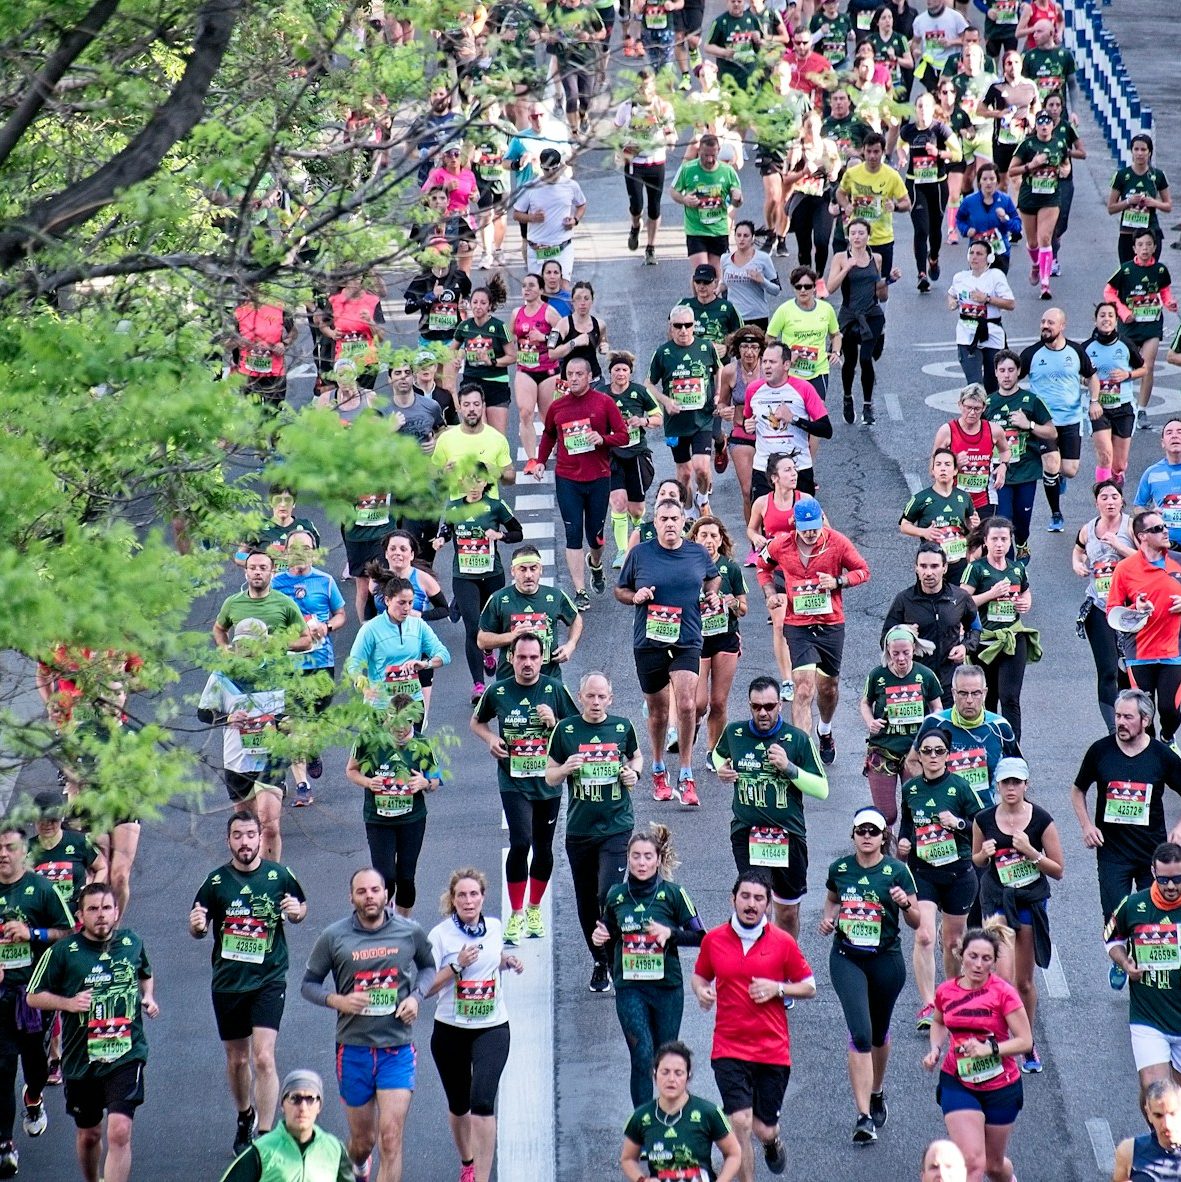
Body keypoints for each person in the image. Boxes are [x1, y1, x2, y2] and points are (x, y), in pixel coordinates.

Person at [301, 867, 436, 1182]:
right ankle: (358, 1165)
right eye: (361, 892)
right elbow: (309, 984)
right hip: (354, 1049)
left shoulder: (409, 931)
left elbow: (429, 967)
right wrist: (338, 1001)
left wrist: (416, 997)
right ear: (351, 897)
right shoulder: (334, 937)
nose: (369, 897)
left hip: (397, 1048)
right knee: (364, 1142)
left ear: (386, 894)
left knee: (391, 1137)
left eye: (375, 890)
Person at [190, 811, 308, 1155]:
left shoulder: (279, 875)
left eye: (250, 835)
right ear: (229, 841)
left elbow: (301, 908)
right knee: (238, 1060)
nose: (245, 842)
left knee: (263, 1058)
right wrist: (197, 925)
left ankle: (267, 1135)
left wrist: (297, 912)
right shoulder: (215, 883)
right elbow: (197, 924)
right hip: (228, 982)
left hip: (269, 978)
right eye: (238, 836)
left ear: (261, 838)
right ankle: (245, 1115)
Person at [26, 883, 157, 1182]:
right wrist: (68, 1003)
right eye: (93, 909)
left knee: (120, 1130)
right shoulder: (63, 952)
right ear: (80, 915)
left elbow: (145, 974)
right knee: (89, 1134)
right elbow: (33, 995)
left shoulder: (131, 942)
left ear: (117, 912)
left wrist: (148, 997)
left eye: (107, 908)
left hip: (126, 1051)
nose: (101, 915)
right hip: (82, 1059)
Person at [691, 870, 816, 1181]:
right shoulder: (714, 940)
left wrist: (778, 988)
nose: (751, 904)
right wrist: (701, 991)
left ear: (768, 905)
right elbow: (700, 975)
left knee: (763, 1128)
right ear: (733, 899)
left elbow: (809, 986)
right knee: (740, 1123)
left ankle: (772, 1143)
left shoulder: (783, 943)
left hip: (771, 1050)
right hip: (729, 1047)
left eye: (759, 898)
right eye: (745, 896)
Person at [820, 806, 920, 1143]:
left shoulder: (896, 871)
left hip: (886, 961)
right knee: (860, 1034)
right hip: (847, 958)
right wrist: (828, 918)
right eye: (860, 831)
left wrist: (905, 903)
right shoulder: (840, 868)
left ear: (883, 837)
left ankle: (877, 1091)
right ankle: (863, 1116)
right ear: (853, 835)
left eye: (873, 832)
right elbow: (833, 898)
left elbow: (917, 921)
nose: (866, 837)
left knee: (878, 1033)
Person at [471, 632, 576, 943]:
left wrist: (554, 722)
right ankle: (515, 913)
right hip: (513, 778)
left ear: (541, 659)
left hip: (548, 779)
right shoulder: (499, 691)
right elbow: (477, 722)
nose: (528, 663)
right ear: (510, 659)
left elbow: (576, 730)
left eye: (533, 657)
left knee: (543, 848)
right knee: (521, 842)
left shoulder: (555, 689)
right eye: (522, 657)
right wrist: (491, 739)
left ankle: (534, 908)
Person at [617, 497, 721, 804]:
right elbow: (619, 590)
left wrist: (711, 595)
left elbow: (712, 578)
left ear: (683, 522)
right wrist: (635, 596)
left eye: (675, 519)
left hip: (687, 638)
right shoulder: (640, 554)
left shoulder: (697, 553)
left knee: (687, 704)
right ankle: (659, 767)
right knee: (659, 712)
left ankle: (687, 773)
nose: (670, 524)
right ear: (656, 523)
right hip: (649, 642)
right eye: (663, 519)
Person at [1073, 689, 1181, 978]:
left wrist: (1180, 827)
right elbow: (1078, 789)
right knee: (1114, 913)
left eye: (1127, 717)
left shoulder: (1161, 755)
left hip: (1151, 852)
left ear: (1145, 720)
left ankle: (1148, 967)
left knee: (1151, 914)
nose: (1120, 721)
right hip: (1112, 852)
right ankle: (1120, 960)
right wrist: (1087, 825)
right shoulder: (1101, 751)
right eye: (1118, 715)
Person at [593, 827, 705, 1106]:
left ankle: (671, 1117)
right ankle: (642, 1124)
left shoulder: (674, 894)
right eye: (635, 857)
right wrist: (601, 935)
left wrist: (671, 934)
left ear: (658, 859)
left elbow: (702, 936)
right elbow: (608, 928)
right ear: (628, 859)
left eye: (647, 857)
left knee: (666, 1058)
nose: (641, 863)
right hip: (630, 987)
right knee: (641, 1054)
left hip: (667, 988)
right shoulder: (616, 895)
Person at [547, 671, 643, 992]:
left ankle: (616, 958)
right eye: (591, 696)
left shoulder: (621, 727)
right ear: (581, 696)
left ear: (611, 698)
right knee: (587, 901)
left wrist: (634, 774)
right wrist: (565, 769)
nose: (597, 702)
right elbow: (549, 775)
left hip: (616, 824)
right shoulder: (566, 730)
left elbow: (636, 758)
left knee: (608, 893)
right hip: (580, 830)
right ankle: (600, 960)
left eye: (602, 697)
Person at [425, 868, 523, 1182]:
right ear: (452, 901)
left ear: (483, 897)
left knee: (482, 1100)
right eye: (462, 895)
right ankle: (467, 1160)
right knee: (459, 1104)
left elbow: (494, 957)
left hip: (492, 1026)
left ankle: (480, 1177)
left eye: (474, 894)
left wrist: (507, 961)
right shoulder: (440, 936)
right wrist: (456, 966)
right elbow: (424, 988)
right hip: (450, 1029)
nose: (469, 901)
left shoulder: (494, 927)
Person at [714, 676, 829, 940]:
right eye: (756, 707)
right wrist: (722, 767)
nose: (763, 712)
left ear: (780, 705)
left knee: (787, 912)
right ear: (749, 706)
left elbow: (822, 790)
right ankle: (759, 965)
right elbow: (718, 753)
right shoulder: (735, 733)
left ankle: (785, 965)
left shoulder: (797, 739)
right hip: (748, 833)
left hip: (788, 835)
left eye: (769, 706)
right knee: (756, 904)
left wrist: (789, 768)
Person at [757, 495, 871, 759]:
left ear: (822, 522)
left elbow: (863, 571)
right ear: (794, 524)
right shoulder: (780, 544)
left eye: (815, 529)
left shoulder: (838, 542)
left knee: (828, 687)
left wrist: (838, 581)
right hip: (798, 624)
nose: (810, 535)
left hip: (830, 623)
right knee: (804, 686)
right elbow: (762, 566)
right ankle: (801, 753)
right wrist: (770, 592)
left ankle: (825, 730)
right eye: (804, 529)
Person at [972, 756, 1064, 1074]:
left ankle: (1026, 1042)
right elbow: (977, 860)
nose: (1011, 788)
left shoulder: (1041, 820)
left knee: (1023, 982)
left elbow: (1058, 870)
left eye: (1016, 782)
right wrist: (982, 856)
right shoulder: (983, 819)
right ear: (997, 786)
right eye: (1005, 783)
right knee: (1002, 977)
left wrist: (1031, 853)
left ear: (1026, 785)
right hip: (997, 900)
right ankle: (998, 1043)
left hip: (1029, 902)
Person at [921, 927, 1032, 1182]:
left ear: (994, 962)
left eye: (986, 959)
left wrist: (990, 1049)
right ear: (961, 955)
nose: (978, 964)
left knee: (992, 1166)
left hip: (1000, 1086)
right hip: (958, 1081)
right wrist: (935, 1049)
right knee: (971, 1161)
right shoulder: (946, 991)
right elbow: (938, 1022)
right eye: (973, 956)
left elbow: (1025, 1041)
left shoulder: (1003, 993)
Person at [898, 719, 981, 1030]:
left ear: (948, 755)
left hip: (959, 873)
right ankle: (928, 1004)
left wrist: (957, 823)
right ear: (919, 755)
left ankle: (954, 997)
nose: (933, 756)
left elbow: (981, 824)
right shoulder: (910, 789)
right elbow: (906, 826)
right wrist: (903, 843)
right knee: (924, 935)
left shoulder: (960, 787)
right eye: (927, 751)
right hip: (923, 872)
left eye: (939, 751)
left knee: (953, 941)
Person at [0, 823, 73, 1174]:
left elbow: (68, 932)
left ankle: (33, 1098)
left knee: (35, 1065)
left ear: (23, 852)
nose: (3, 854)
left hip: (31, 996)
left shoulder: (40, 888)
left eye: (10, 848)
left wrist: (32, 933)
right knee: (1, 1068)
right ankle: (5, 1144)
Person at [534, 355, 629, 611]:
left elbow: (623, 435)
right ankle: (580, 590)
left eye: (579, 374)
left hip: (598, 478)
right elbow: (549, 435)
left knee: (595, 537)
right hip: (568, 479)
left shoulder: (604, 403)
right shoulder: (558, 407)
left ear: (589, 377)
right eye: (570, 374)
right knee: (573, 534)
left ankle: (596, 565)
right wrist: (541, 461)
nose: (574, 378)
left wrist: (602, 439)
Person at [198, 620, 293, 861]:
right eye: (242, 645)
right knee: (245, 830)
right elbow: (203, 713)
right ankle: (249, 875)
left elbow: (296, 711)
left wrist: (284, 724)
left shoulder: (279, 671)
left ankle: (271, 878)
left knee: (270, 826)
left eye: (252, 644)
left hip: (272, 758)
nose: (247, 650)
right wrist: (227, 717)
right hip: (238, 760)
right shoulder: (222, 674)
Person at [346, 700, 444, 916]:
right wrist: (369, 782)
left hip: (412, 819)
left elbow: (436, 779)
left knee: (406, 878)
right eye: (396, 722)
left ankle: (403, 926)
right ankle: (384, 921)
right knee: (385, 876)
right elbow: (351, 770)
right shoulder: (369, 741)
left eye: (407, 722)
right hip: (378, 819)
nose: (401, 728)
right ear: (387, 717)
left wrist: (425, 783)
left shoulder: (422, 743)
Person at [272, 530, 347, 806]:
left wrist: (326, 627)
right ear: (286, 552)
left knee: (312, 723)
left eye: (306, 548)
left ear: (314, 552)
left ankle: (313, 749)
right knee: (291, 724)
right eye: (295, 548)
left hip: (320, 663)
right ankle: (302, 784)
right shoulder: (276, 584)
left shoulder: (325, 582)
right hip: (287, 666)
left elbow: (341, 615)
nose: (300, 553)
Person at [434, 472, 524, 701]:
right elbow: (447, 529)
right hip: (464, 576)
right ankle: (478, 686)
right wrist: (441, 540)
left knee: (495, 625)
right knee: (473, 627)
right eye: (469, 480)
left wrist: (499, 535)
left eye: (479, 480)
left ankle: (491, 654)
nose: (474, 486)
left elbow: (518, 533)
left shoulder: (495, 506)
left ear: (486, 482)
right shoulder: (454, 507)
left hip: (492, 575)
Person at [1106, 845, 1181, 1105]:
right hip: (1148, 1017)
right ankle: (1160, 1142)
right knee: (1156, 1094)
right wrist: (1125, 963)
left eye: (1177, 879)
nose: (1171, 886)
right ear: (1153, 873)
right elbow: (1112, 940)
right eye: (1164, 880)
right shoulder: (1134, 904)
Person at [1018, 307, 1098, 533]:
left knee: (1069, 470)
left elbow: (1092, 377)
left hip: (1071, 419)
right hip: (1044, 422)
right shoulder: (1031, 354)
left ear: (1062, 326)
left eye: (1051, 323)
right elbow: (1013, 379)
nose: (1045, 326)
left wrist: (1094, 401)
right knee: (1051, 463)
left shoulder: (1075, 351)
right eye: (1043, 321)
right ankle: (1056, 513)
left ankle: (1057, 477)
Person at [1107, 510, 1181, 746]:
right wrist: (1134, 609)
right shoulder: (1126, 569)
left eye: (1164, 526)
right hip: (1140, 652)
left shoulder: (1178, 560)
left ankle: (1167, 737)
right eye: (1157, 528)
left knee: (1170, 709)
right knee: (1143, 713)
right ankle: (1148, 757)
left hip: (1174, 650)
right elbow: (1112, 610)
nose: (1165, 531)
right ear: (1142, 536)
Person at [961, 516, 1037, 742]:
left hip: (1012, 639)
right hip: (984, 641)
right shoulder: (976, 569)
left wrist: (1026, 602)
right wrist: (990, 594)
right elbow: (962, 602)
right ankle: (988, 743)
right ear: (985, 541)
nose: (999, 544)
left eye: (1004, 539)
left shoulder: (1017, 569)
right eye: (994, 539)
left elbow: (1025, 591)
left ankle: (1013, 747)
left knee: (1010, 697)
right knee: (988, 697)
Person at [621, 1040, 742, 1182]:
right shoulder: (641, 1117)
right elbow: (627, 1158)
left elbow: (734, 1153)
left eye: (678, 1073)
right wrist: (643, 1180)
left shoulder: (708, 1112)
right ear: (655, 1074)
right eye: (665, 1072)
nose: (671, 1079)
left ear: (688, 1076)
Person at [861, 628, 944, 826]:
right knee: (886, 815)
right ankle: (883, 852)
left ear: (914, 649)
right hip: (883, 750)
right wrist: (870, 721)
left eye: (905, 652)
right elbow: (865, 703)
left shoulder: (925, 675)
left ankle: (912, 852)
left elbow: (937, 707)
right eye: (895, 653)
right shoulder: (877, 675)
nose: (900, 658)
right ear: (887, 651)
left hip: (915, 752)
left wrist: (929, 726)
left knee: (918, 812)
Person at [1072, 481, 1136, 731]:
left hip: (1131, 610)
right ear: (1096, 502)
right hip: (1099, 607)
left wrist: (1119, 547)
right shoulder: (1088, 529)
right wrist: (1077, 563)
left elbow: (1147, 558)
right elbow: (1078, 550)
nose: (1110, 501)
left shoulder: (1131, 526)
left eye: (1114, 496)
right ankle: (1114, 729)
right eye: (1104, 497)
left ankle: (1139, 723)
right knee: (1108, 670)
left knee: (1131, 671)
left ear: (1122, 501)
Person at [826, 216, 901, 426]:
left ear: (869, 236)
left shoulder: (875, 258)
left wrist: (890, 280)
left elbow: (876, 287)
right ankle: (848, 398)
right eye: (853, 233)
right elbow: (830, 287)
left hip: (872, 314)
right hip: (850, 315)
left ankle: (868, 406)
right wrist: (846, 269)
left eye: (861, 233)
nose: (857, 237)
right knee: (849, 361)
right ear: (848, 236)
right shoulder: (841, 258)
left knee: (866, 358)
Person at [647, 307, 721, 514]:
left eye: (688, 325)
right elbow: (648, 383)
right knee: (685, 473)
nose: (683, 330)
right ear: (671, 327)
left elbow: (719, 370)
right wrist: (665, 401)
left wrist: (717, 395)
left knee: (702, 467)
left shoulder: (706, 347)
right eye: (678, 326)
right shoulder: (663, 352)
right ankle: (688, 512)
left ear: (694, 326)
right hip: (676, 423)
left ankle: (703, 499)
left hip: (702, 418)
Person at [983, 350, 1057, 559]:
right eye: (1002, 370)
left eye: (1011, 370)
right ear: (995, 373)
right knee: (1004, 520)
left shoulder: (1031, 400)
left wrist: (1028, 424)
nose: (1006, 375)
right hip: (1000, 474)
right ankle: (1007, 565)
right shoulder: (987, 404)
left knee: (1022, 521)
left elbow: (1051, 432)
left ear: (1018, 372)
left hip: (1026, 471)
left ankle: (1023, 541)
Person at [918, 664, 1022, 811]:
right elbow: (913, 761)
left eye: (975, 693)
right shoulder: (934, 723)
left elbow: (1018, 769)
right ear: (953, 693)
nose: (969, 700)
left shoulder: (1000, 726)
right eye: (963, 693)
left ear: (984, 693)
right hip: (943, 813)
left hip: (985, 814)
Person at [218, 1068, 353, 1182]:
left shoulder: (334, 1149)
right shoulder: (261, 1151)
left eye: (310, 1099)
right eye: (295, 1099)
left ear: (319, 1106)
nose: (303, 1107)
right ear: (282, 1104)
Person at [882, 542, 979, 699]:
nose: (928, 572)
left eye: (934, 566)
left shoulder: (961, 597)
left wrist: (965, 647)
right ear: (916, 568)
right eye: (923, 566)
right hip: (915, 681)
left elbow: (975, 628)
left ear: (944, 568)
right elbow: (885, 637)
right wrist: (901, 633)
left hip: (950, 682)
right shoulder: (904, 600)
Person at [1105, 229, 1178, 430]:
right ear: (1134, 248)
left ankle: (1142, 410)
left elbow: (1164, 292)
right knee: (1123, 366)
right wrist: (1122, 311)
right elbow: (1109, 292)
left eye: (1148, 244)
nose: (1145, 249)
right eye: (1140, 245)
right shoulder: (1126, 270)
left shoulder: (1161, 270)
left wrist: (1169, 302)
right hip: (1128, 326)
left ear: (1155, 247)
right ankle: (1118, 405)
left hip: (1152, 325)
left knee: (1148, 366)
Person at [346, 575, 451, 714]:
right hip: (381, 705)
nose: (407, 608)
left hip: (412, 704)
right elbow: (353, 665)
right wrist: (365, 688)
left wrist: (425, 664)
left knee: (413, 736)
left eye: (410, 602)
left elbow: (444, 655)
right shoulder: (370, 629)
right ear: (387, 600)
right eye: (401, 603)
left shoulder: (418, 625)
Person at [742, 341, 832, 501]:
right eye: (764, 362)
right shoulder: (753, 390)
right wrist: (747, 425)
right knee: (767, 524)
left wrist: (794, 419)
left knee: (802, 524)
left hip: (797, 468)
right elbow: (748, 420)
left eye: (772, 362)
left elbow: (826, 430)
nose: (767, 367)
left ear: (786, 365)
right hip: (764, 469)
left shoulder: (804, 388)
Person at [477, 544, 582, 680]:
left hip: (549, 679)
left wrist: (570, 645)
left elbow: (575, 619)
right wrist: (512, 636)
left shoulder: (555, 596)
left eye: (533, 569)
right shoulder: (499, 599)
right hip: (510, 681)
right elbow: (481, 640)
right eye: (522, 569)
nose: (528, 575)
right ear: (513, 571)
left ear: (541, 570)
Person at [599, 352, 663, 567]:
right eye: (616, 369)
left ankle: (639, 532)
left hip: (636, 454)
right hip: (611, 455)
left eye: (624, 369)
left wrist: (642, 420)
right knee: (617, 503)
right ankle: (622, 551)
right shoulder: (601, 394)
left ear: (630, 372)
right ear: (610, 372)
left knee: (636, 509)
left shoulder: (639, 392)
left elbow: (658, 418)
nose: (620, 373)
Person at [897, 92, 962, 292]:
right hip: (916, 186)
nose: (923, 110)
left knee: (935, 229)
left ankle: (933, 258)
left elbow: (958, 154)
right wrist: (902, 156)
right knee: (921, 229)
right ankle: (921, 274)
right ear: (915, 109)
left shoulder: (940, 129)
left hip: (937, 185)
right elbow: (900, 146)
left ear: (933, 109)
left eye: (926, 106)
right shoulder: (908, 130)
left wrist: (939, 153)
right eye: (919, 106)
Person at [614, 70, 678, 265]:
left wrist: (668, 140)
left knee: (655, 206)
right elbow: (616, 133)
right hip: (634, 163)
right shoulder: (626, 107)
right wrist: (624, 148)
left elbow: (672, 136)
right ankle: (635, 226)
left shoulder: (663, 108)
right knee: (636, 206)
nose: (644, 91)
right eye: (640, 87)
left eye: (647, 87)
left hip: (656, 162)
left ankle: (650, 247)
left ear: (654, 87)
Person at [931, 385, 1011, 529]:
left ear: (984, 408)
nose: (972, 413)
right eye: (968, 407)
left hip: (984, 499)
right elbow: (933, 470)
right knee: (957, 542)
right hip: (953, 498)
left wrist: (1003, 466)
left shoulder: (994, 430)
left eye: (977, 409)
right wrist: (954, 464)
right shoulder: (947, 431)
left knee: (981, 542)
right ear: (960, 405)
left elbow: (1005, 450)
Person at [1085, 303, 1145, 489]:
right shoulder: (1086, 348)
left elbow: (1143, 369)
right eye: (1102, 315)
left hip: (1123, 407)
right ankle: (1103, 494)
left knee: (1118, 464)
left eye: (1110, 315)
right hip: (1098, 408)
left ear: (1116, 321)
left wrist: (1127, 375)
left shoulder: (1126, 344)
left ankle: (1117, 478)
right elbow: (1077, 374)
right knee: (1105, 455)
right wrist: (1088, 381)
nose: (1106, 319)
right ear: (1095, 320)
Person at [836, 132, 911, 278]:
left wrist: (895, 206)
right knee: (856, 280)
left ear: (883, 152)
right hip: (858, 238)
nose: (872, 156)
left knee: (881, 285)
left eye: (876, 152)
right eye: (868, 151)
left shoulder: (892, 175)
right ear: (863, 151)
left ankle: (881, 301)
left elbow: (907, 203)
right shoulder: (852, 173)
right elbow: (840, 193)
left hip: (882, 237)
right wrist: (846, 206)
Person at [900, 448, 979, 583]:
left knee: (958, 602)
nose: (943, 469)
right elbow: (904, 525)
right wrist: (924, 532)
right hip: (932, 565)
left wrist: (975, 525)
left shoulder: (964, 497)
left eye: (947, 464)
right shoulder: (920, 499)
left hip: (958, 563)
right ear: (933, 471)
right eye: (938, 464)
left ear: (955, 470)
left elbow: (971, 526)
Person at [766, 266, 842, 405]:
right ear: (794, 288)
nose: (802, 290)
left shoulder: (826, 309)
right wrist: (785, 356)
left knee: (816, 413)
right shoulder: (784, 310)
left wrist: (836, 352)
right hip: (791, 373)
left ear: (814, 287)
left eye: (807, 286)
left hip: (818, 371)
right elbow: (770, 337)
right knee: (792, 413)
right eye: (798, 286)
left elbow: (835, 335)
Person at [450, 280, 516, 437]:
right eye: (475, 302)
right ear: (470, 304)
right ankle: (480, 461)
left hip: (496, 384)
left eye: (483, 303)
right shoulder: (465, 326)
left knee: (497, 436)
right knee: (479, 432)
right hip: (472, 382)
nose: (478, 306)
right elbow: (451, 349)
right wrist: (456, 358)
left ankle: (498, 462)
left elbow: (512, 356)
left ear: (489, 306)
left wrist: (492, 361)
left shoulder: (499, 327)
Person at [947, 242, 1015, 394]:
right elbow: (951, 293)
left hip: (992, 334)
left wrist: (987, 299)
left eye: (979, 254)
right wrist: (952, 302)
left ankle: (990, 416)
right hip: (967, 335)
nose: (974, 257)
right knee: (975, 385)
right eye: (972, 253)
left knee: (993, 385)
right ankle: (977, 415)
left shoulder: (995, 276)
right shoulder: (960, 277)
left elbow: (1011, 304)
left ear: (989, 257)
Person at [213, 551, 313, 653]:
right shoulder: (232, 603)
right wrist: (225, 649)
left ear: (272, 572)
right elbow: (219, 629)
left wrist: (279, 643)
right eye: (252, 568)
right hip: (242, 667)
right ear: (246, 571)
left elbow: (307, 640)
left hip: (276, 667)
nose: (257, 572)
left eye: (263, 568)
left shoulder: (286, 603)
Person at [672, 134, 743, 275]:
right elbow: (673, 191)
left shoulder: (728, 171)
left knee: (716, 273)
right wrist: (685, 199)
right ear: (699, 152)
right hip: (696, 229)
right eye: (705, 155)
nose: (709, 160)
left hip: (718, 230)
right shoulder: (688, 169)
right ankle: (697, 297)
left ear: (718, 151)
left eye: (713, 155)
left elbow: (737, 201)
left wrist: (737, 198)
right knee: (701, 272)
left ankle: (716, 297)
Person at [432, 385, 515, 500]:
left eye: (476, 404)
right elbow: (433, 475)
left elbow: (511, 478)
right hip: (458, 512)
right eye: (466, 404)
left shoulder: (497, 438)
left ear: (483, 406)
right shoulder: (446, 439)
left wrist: (499, 473)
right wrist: (444, 473)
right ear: (459, 407)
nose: (472, 409)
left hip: (489, 513)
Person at [512, 273, 561, 469]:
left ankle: (555, 449)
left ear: (541, 290)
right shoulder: (517, 313)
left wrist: (544, 337)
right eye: (524, 285)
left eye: (532, 285)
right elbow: (510, 337)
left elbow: (563, 336)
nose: (527, 289)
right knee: (525, 412)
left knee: (548, 416)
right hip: (524, 369)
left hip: (548, 369)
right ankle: (532, 459)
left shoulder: (549, 312)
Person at [512, 147, 586, 276]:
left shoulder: (570, 185)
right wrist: (532, 217)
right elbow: (516, 214)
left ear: (560, 166)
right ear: (540, 167)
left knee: (563, 288)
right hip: (538, 249)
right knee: (539, 291)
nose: (550, 172)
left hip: (562, 247)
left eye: (554, 169)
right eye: (546, 169)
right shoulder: (530, 187)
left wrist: (575, 220)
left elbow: (582, 204)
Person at [1108, 132, 1172, 265]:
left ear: (1149, 152)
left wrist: (1153, 202)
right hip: (1128, 233)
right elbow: (1111, 208)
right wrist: (1128, 202)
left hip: (1151, 232)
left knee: (1149, 274)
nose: (1140, 153)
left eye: (1143, 149)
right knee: (1128, 275)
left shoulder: (1158, 175)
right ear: (1131, 151)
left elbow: (1168, 206)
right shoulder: (1122, 175)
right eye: (1136, 149)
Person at [954, 162, 1019, 276]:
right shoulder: (969, 201)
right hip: (977, 253)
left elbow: (1017, 226)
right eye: (984, 179)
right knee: (979, 287)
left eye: (992, 179)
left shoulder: (1005, 200)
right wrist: (966, 230)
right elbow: (959, 219)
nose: (988, 182)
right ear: (979, 182)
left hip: (1000, 252)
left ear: (997, 181)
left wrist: (1005, 219)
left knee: (996, 287)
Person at [1111, 1079, 1181, 1182]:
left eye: (1172, 1114)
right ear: (1148, 1113)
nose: (1166, 1124)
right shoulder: (1129, 1151)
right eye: (1158, 1115)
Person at [722, 220, 781, 332]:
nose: (741, 238)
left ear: (752, 237)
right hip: (734, 317)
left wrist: (762, 281)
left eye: (746, 235)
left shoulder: (763, 258)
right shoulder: (725, 259)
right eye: (738, 235)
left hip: (757, 316)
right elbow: (724, 284)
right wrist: (715, 290)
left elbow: (776, 290)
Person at [1134, 418, 1181, 551]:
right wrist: (1150, 515)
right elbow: (1138, 506)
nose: (1175, 436)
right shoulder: (1152, 473)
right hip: (1166, 544)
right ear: (1162, 443)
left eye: (1179, 432)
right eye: (1169, 433)